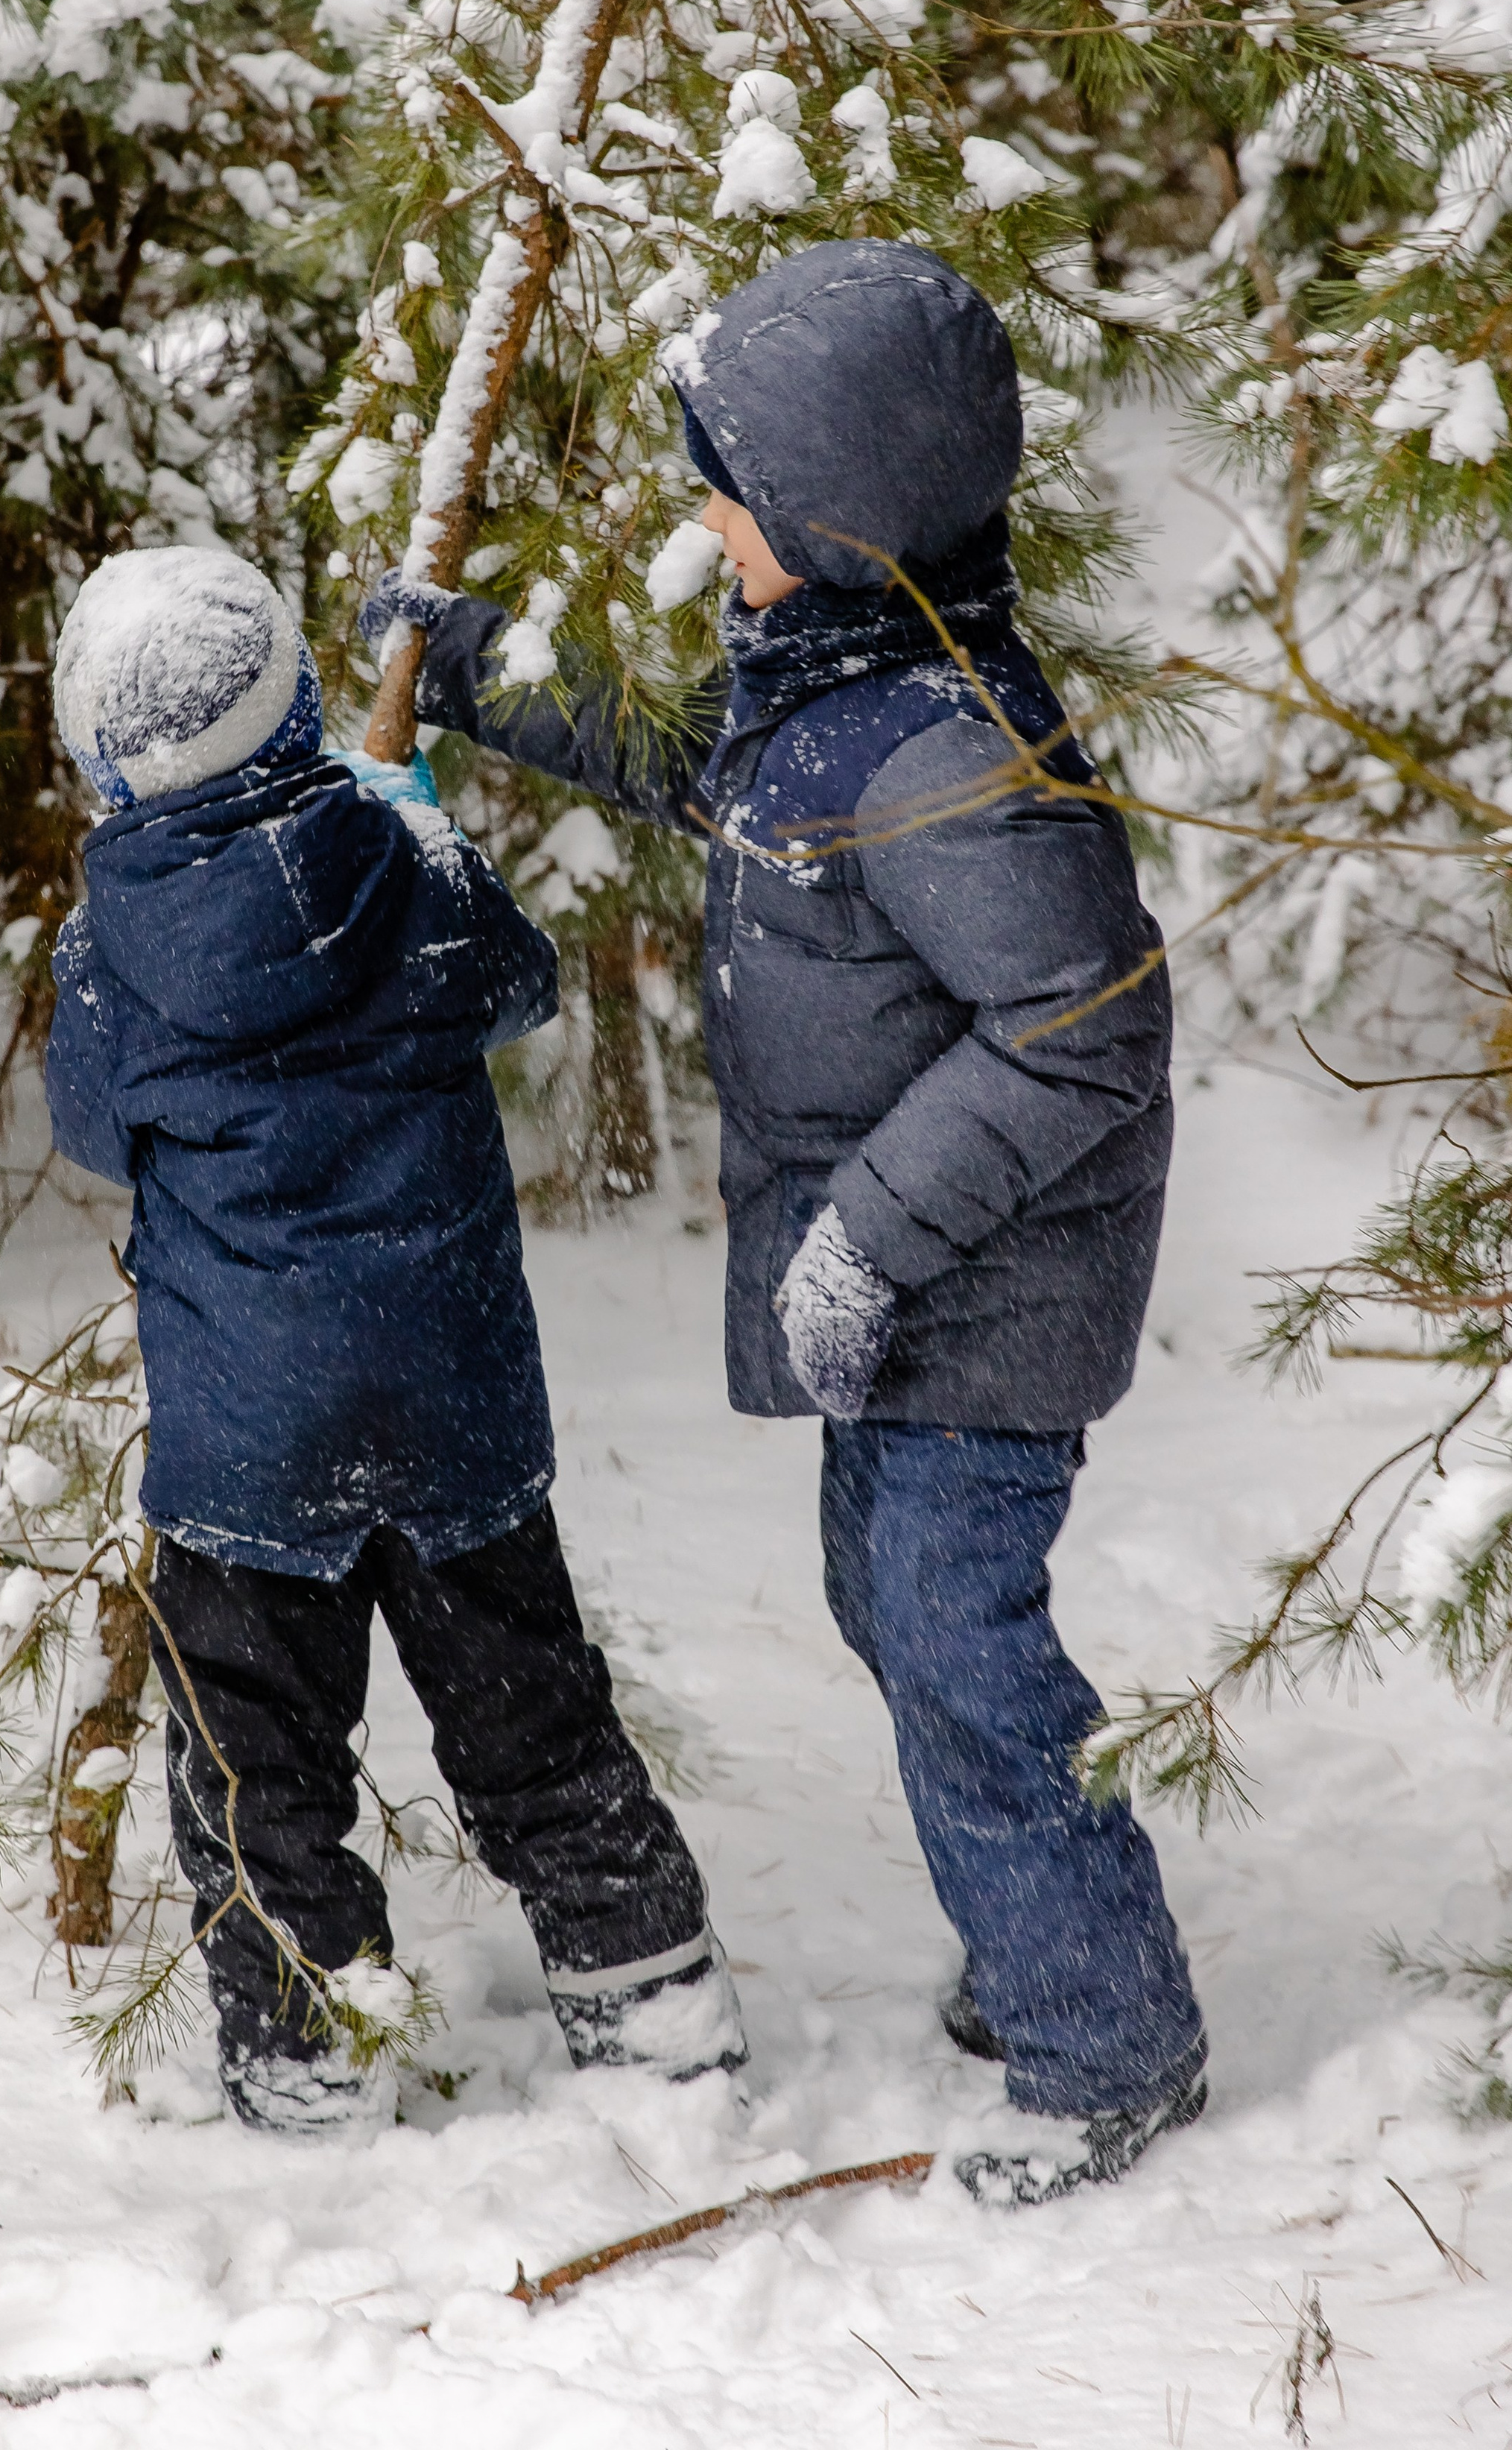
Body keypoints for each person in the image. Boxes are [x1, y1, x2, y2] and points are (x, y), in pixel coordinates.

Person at [362, 240, 1206, 2205]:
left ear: (833, 518)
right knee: (899, 1614)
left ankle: (1105, 2041)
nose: (704, 522)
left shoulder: (950, 752)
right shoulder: (834, 677)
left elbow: (1085, 1030)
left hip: (991, 1281)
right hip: (918, 1284)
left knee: (948, 1630)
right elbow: (703, 780)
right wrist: (486, 670)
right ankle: (1045, 1916)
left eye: (727, 493)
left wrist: (869, 1242)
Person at [44, 544, 744, 2134]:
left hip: (248, 1448)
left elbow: (94, 1127)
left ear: (106, 760)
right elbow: (518, 977)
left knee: (257, 1769)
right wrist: (410, 816)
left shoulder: (109, 952)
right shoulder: (400, 872)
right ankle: (653, 2005)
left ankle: (303, 2055)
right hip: (454, 1414)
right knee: (535, 1725)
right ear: (298, 699)